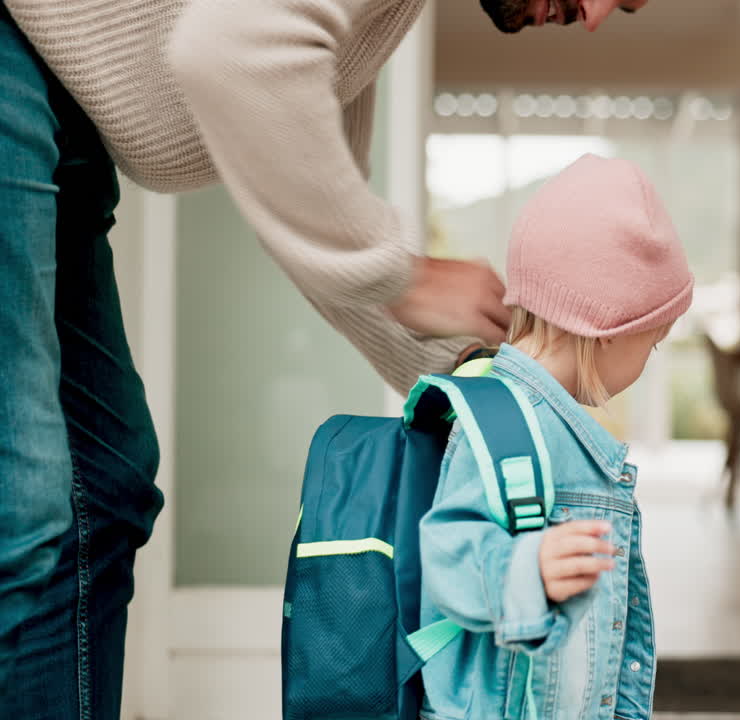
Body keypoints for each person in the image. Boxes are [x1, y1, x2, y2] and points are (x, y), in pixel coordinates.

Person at [0, 1, 648, 717]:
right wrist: (410, 276)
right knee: (26, 503)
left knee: (105, 493)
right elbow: (231, 50)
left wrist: (470, 373)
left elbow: (318, 223)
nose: (593, 18)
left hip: (61, 101)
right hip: (14, 57)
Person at [417, 153, 691, 719]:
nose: (650, 357)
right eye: (652, 342)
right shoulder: (506, 422)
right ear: (609, 331)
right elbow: (446, 554)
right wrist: (526, 570)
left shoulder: (557, 425)